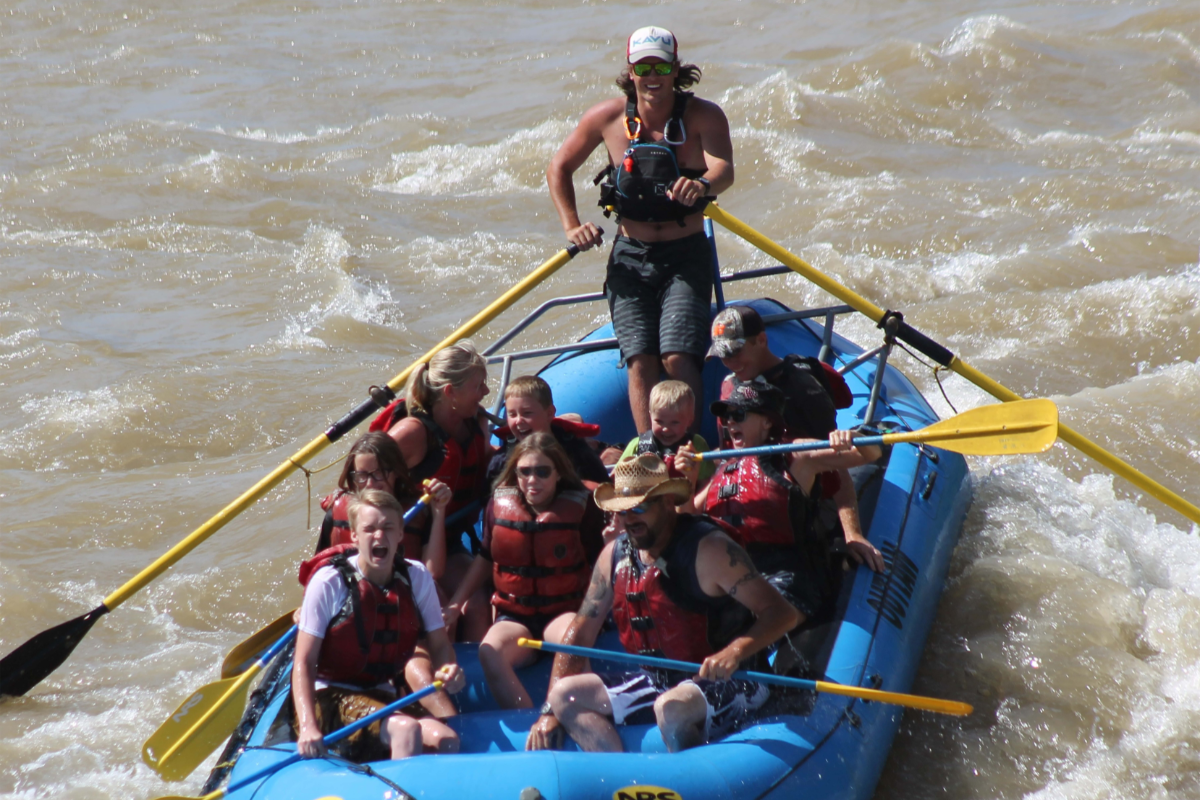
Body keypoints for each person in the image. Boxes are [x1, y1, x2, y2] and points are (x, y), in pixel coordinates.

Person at [525, 454, 800, 754]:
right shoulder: (614, 556)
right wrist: (548, 711)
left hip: (735, 681)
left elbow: (782, 614)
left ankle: (691, 783)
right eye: (624, 510)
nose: (630, 519)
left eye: (640, 507)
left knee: (670, 708)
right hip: (659, 683)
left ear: (668, 502)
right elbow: (581, 630)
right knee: (564, 695)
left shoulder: (711, 550)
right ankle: (624, 781)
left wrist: (734, 653)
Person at [547, 26, 734, 433]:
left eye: (661, 66)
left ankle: (689, 448)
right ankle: (650, 452)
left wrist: (702, 185)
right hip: (630, 258)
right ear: (631, 71)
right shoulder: (606, 118)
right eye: (643, 66)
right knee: (640, 359)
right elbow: (558, 167)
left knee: (677, 357)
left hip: (686, 255)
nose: (653, 75)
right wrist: (572, 226)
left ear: (675, 69)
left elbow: (724, 170)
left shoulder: (704, 115)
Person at [676, 380, 880, 626]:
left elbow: (870, 453)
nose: (730, 422)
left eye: (738, 414)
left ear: (767, 421)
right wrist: (687, 481)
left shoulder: (794, 455)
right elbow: (686, 520)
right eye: (727, 416)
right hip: (731, 575)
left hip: (785, 574)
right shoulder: (724, 467)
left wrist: (853, 437)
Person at [707, 306, 885, 573]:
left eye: (735, 352)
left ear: (762, 341)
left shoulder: (802, 390)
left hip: (801, 504)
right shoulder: (730, 386)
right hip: (751, 497)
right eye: (723, 356)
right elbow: (729, 456)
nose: (730, 363)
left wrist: (851, 533)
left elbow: (834, 466)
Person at [293, 490, 466, 761]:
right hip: (329, 696)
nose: (378, 536)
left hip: (382, 692)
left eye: (387, 527)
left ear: (400, 534)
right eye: (369, 528)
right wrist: (307, 727)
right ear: (354, 535)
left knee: (446, 740)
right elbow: (303, 662)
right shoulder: (330, 581)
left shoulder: (416, 576)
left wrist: (447, 671)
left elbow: (441, 645)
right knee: (406, 729)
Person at [446, 433, 605, 709]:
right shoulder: (498, 505)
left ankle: (573, 712)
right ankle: (523, 715)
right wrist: (455, 603)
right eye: (525, 472)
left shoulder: (584, 504)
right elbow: (485, 558)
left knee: (572, 642)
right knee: (489, 651)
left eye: (543, 472)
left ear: (558, 473)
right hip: (515, 618)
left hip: (563, 612)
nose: (533, 480)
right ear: (515, 473)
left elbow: (600, 561)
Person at [373, 340, 495, 641]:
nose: (486, 393)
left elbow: (483, 461)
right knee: (437, 615)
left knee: (479, 602)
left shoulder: (476, 423)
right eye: (479, 386)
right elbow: (365, 486)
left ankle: (475, 678)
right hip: (408, 549)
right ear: (451, 393)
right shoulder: (412, 433)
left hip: (449, 539)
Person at [316, 432, 453, 579]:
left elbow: (433, 574)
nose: (370, 484)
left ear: (396, 472)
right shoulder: (336, 510)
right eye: (362, 475)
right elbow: (317, 570)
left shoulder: (421, 512)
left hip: (403, 593)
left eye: (379, 473)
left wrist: (439, 511)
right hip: (352, 593)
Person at [486, 375, 610, 489]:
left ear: (549, 413)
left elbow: (604, 486)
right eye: (512, 414)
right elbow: (487, 497)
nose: (518, 421)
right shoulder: (503, 459)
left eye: (527, 413)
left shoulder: (576, 450)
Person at [619, 379, 714, 490]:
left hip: (684, 503)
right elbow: (619, 480)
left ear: (690, 420)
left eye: (674, 423)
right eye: (659, 421)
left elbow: (706, 483)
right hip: (647, 503)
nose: (666, 429)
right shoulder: (638, 445)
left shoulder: (695, 444)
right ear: (650, 417)